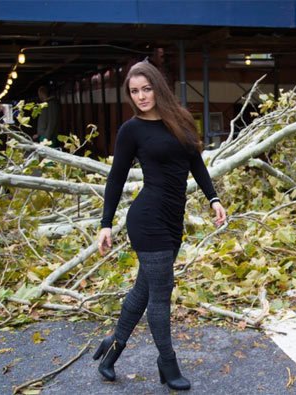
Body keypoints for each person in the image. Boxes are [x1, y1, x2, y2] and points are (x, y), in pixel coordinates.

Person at [94, 60, 226, 391]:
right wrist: (105, 223)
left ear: (158, 87)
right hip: (147, 218)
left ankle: (111, 350)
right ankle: (167, 364)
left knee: (144, 290)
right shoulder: (131, 131)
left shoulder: (180, 119)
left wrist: (214, 198)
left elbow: (196, 161)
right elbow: (116, 178)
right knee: (161, 295)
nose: (141, 96)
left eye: (146, 89)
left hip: (172, 218)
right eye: (134, 91)